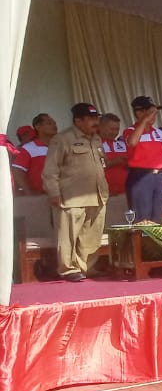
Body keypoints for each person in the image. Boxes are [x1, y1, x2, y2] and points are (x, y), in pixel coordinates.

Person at [42, 103, 108, 282]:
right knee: (68, 236)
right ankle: (68, 269)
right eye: (91, 118)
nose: (96, 122)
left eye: (97, 118)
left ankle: (86, 267)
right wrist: (54, 193)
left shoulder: (96, 139)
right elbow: (50, 170)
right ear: (78, 120)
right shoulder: (62, 139)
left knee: (91, 235)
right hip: (71, 196)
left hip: (97, 195)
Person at [123, 96, 162, 222]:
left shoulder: (159, 133)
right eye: (150, 113)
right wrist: (143, 122)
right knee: (142, 217)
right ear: (139, 113)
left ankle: (155, 242)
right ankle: (142, 242)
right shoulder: (130, 131)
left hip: (159, 177)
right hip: (140, 176)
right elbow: (132, 142)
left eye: (155, 113)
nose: (153, 116)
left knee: (160, 217)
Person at [12, 113, 56, 195]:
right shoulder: (28, 148)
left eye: (54, 123)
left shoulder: (61, 146)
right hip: (41, 197)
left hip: (64, 195)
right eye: (49, 123)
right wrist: (29, 192)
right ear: (38, 127)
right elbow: (17, 171)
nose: (54, 125)